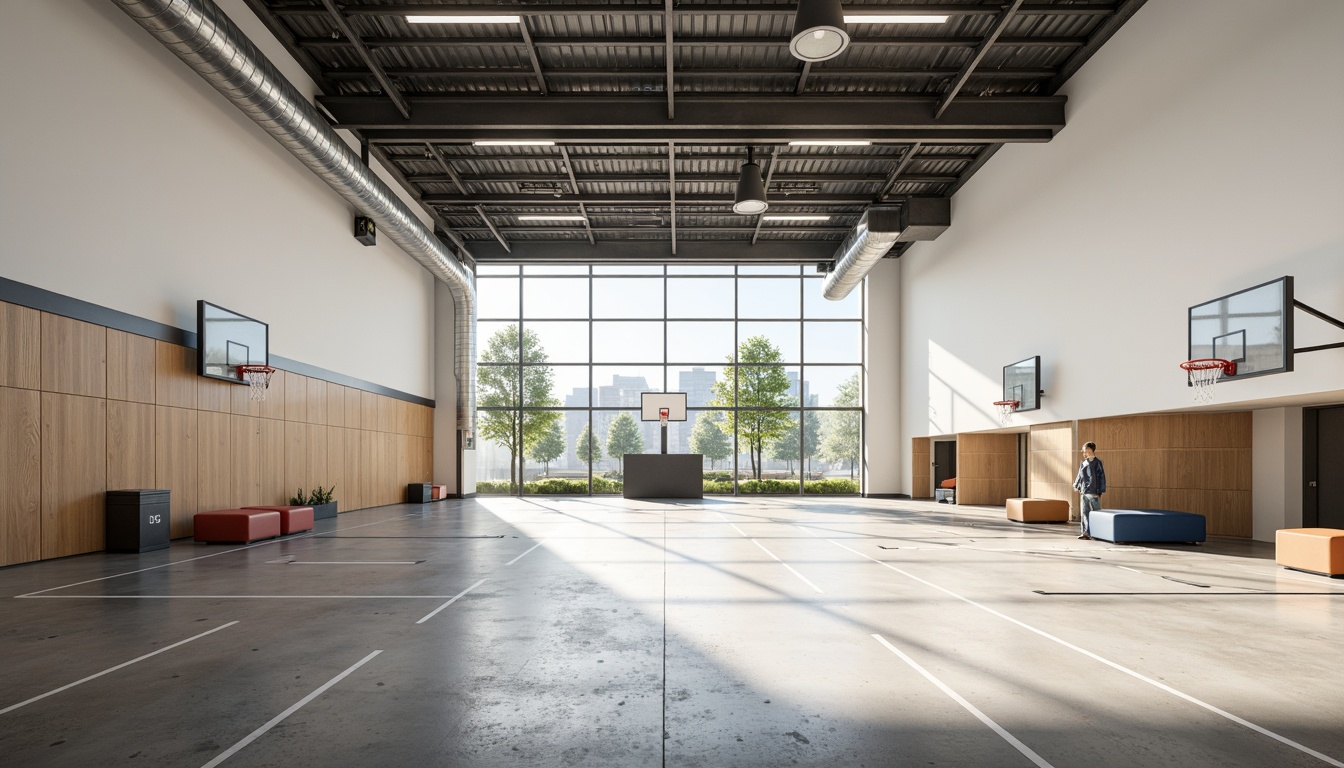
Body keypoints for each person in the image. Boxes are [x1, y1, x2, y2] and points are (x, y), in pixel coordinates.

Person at [1073, 441, 1106, 540]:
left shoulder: (1097, 463)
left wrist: (1099, 491)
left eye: (1085, 449)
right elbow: (1080, 476)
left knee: (1096, 513)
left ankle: (1098, 533)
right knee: (1084, 513)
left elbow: (1101, 477)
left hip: (1094, 492)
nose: (1084, 451)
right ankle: (1085, 532)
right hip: (1084, 492)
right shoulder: (1083, 463)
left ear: (1090, 449)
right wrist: (1077, 485)